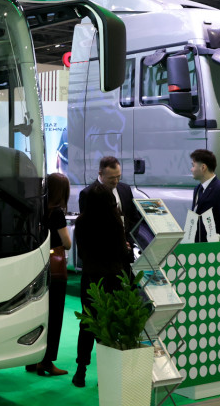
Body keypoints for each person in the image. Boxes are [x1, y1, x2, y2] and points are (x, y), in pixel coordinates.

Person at [71, 156, 138, 388]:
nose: (116, 182)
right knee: (110, 322)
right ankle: (106, 374)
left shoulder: (81, 224)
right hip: (112, 274)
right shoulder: (110, 221)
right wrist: (124, 249)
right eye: (112, 178)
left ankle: (82, 371)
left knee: (89, 322)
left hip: (92, 276)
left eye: (118, 177)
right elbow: (118, 247)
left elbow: (83, 251)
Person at [26, 172, 72, 376]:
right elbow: (67, 243)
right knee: (54, 314)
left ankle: (31, 358)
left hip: (33, 266)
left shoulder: (35, 207)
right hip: (54, 270)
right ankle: (46, 361)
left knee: (35, 312)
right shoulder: (57, 213)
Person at [190, 148, 220, 241]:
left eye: (193, 166)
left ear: (203, 167)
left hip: (214, 246)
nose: (191, 169)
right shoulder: (197, 189)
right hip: (198, 245)